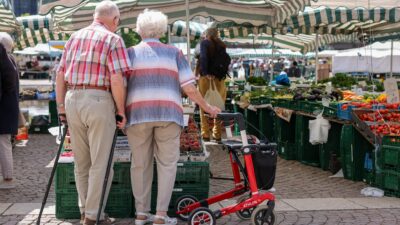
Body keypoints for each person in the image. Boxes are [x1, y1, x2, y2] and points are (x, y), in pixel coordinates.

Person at [125, 9, 220, 225]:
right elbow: (189, 88)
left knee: (140, 164)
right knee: (167, 165)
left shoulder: (129, 53)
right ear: (161, 30)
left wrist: (121, 112)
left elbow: (120, 86)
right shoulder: (174, 53)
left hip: (137, 114)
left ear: (139, 30)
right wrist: (206, 107)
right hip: (169, 114)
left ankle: (141, 214)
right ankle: (160, 215)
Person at [55, 1, 130, 224]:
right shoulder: (113, 39)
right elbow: (116, 79)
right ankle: (92, 215)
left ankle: (86, 210)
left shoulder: (74, 37)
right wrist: (121, 110)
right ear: (114, 20)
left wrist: (61, 107)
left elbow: (60, 76)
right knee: (102, 163)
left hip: (72, 99)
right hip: (98, 99)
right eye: (118, 21)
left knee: (82, 163)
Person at [198, 28, 228, 141]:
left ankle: (205, 133)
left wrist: (206, 73)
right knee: (218, 105)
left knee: (203, 103)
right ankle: (217, 133)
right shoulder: (222, 45)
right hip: (219, 79)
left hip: (206, 79)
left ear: (207, 35)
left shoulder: (205, 43)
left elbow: (204, 57)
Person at [0, 32, 19, 189]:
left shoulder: (6, 61)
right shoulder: (10, 59)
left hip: (4, 109)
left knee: (3, 142)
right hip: (7, 108)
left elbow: (8, 84)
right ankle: (7, 176)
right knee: (4, 142)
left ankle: (8, 177)